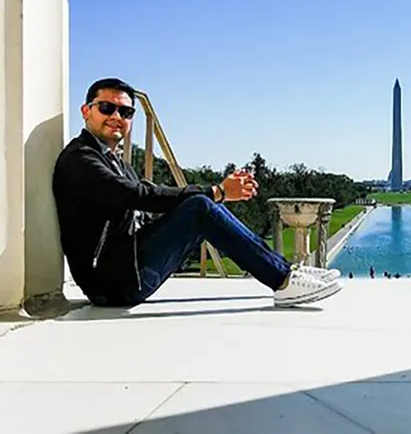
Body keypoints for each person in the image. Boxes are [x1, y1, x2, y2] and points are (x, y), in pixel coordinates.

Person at [53, 77, 343, 308]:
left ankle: (285, 270)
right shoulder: (81, 159)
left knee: (198, 206)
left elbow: (150, 193)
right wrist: (217, 191)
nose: (117, 116)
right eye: (107, 108)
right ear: (86, 111)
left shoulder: (113, 160)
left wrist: (211, 196)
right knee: (200, 207)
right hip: (112, 283)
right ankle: (283, 280)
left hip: (124, 268)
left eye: (126, 111)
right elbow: (137, 195)